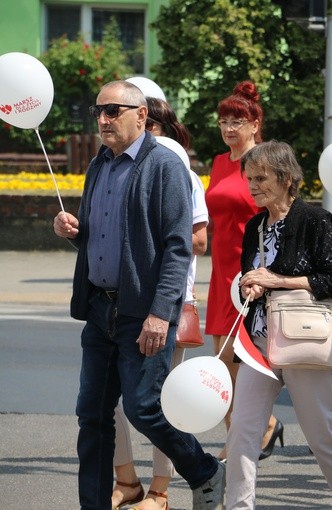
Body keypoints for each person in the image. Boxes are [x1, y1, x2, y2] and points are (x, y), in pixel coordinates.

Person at [52, 80, 224, 510]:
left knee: (145, 407)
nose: (104, 120)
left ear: (142, 115)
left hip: (143, 312)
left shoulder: (165, 165)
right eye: (99, 112)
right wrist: (75, 233)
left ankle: (204, 471)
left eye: (113, 111)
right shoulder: (99, 165)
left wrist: (160, 314)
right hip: (99, 307)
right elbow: (109, 239)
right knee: (92, 416)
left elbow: (178, 247)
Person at [226, 140, 332, 510]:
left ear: (287, 178)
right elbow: (251, 275)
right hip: (259, 342)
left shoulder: (315, 221)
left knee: (323, 438)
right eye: (249, 178)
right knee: (242, 431)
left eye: (261, 178)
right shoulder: (255, 225)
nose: (252, 186)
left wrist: (277, 280)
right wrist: (251, 283)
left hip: (302, 342)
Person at [110, 97, 210, 510]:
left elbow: (196, 241)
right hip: (120, 304)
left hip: (167, 303)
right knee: (115, 401)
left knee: (159, 402)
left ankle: (161, 489)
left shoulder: (174, 167)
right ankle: (126, 480)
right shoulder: (115, 166)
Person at [205, 80, 280, 461]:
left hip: (249, 272)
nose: (229, 127)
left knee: (239, 358)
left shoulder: (263, 162)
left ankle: (254, 429)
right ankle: (243, 431)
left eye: (237, 120)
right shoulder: (220, 162)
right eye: (224, 120)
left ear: (254, 124)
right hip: (219, 272)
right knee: (221, 361)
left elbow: (278, 213)